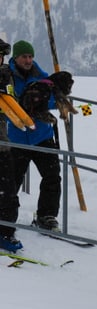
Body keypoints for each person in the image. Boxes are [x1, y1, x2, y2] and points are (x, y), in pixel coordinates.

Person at [0, 40, 73, 246]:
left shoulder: (42, 76)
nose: (28, 60)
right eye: (24, 57)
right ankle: (6, 221)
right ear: (16, 57)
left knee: (52, 177)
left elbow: (53, 100)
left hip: (42, 135)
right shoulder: (7, 75)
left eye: (31, 57)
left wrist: (43, 100)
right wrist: (22, 103)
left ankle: (46, 217)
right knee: (10, 183)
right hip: (16, 138)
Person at [0, 37, 17, 252]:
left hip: (2, 143)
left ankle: (5, 232)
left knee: (8, 192)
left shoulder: (5, 75)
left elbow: (13, 104)